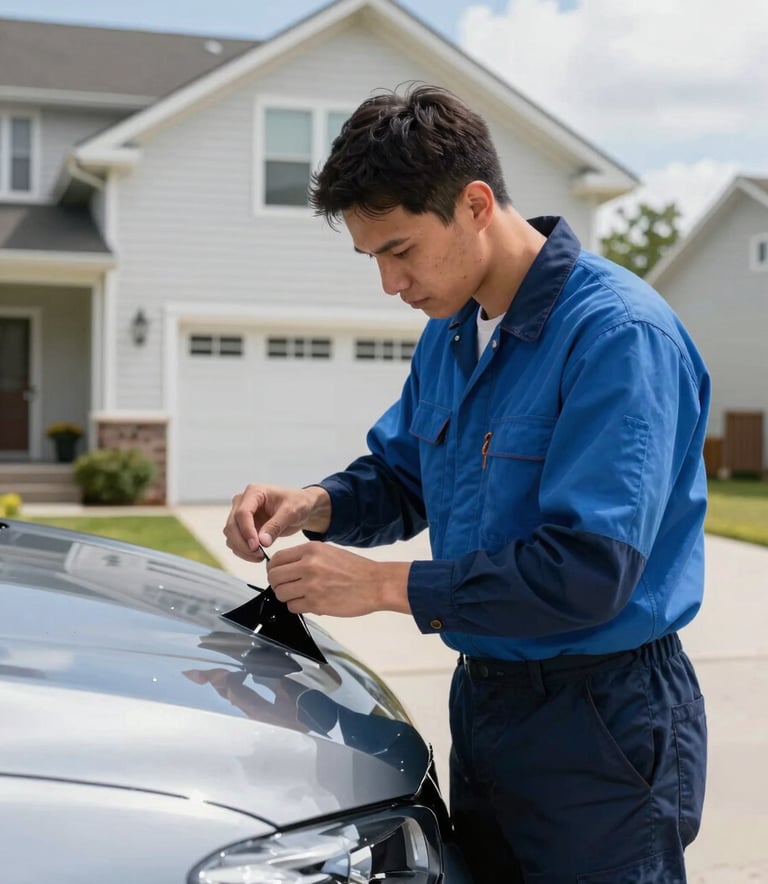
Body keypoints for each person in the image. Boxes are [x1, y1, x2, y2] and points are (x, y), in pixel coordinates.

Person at [224, 84, 709, 883]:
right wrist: (317, 504)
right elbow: (406, 476)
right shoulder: (451, 336)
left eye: (401, 250)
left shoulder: (618, 336)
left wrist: (383, 586)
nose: (389, 283)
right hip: (486, 705)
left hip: (600, 721)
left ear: (476, 204)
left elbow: (589, 572)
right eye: (372, 257)